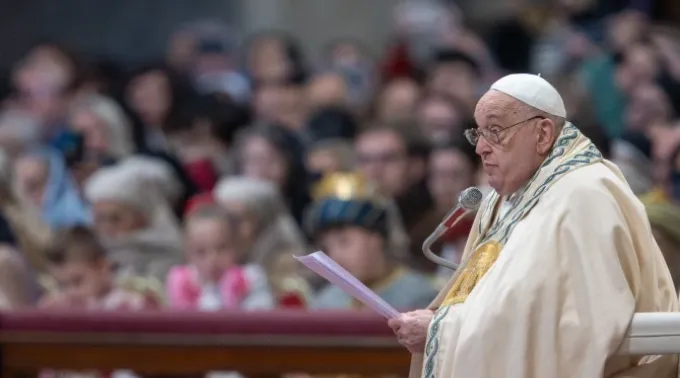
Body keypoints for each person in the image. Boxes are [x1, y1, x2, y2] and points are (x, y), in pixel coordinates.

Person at [389, 74, 679, 378]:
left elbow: (582, 326)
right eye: (478, 134)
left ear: (542, 133)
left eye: (495, 131)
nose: (481, 149)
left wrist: (444, 332)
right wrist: (442, 322)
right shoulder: (500, 200)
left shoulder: (585, 195)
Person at [307, 172, 437, 310]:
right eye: (327, 248)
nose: (335, 257)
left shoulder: (420, 297)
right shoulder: (326, 303)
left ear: (376, 239)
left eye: (344, 242)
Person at [166, 205, 275, 311]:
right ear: (188, 255)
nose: (212, 259)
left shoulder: (251, 279)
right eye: (201, 252)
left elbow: (261, 317)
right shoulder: (180, 283)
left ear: (237, 246)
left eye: (221, 248)